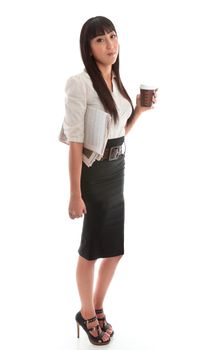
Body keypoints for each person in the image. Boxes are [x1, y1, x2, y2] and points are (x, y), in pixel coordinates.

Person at [59, 16, 157, 346]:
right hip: (94, 176)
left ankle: (97, 306)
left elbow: (116, 136)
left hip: (118, 172)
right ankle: (86, 315)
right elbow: (75, 141)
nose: (110, 44)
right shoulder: (80, 83)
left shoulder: (115, 79)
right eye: (100, 40)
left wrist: (139, 112)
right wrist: (75, 194)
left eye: (112, 36)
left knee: (114, 250)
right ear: (88, 47)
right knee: (91, 250)